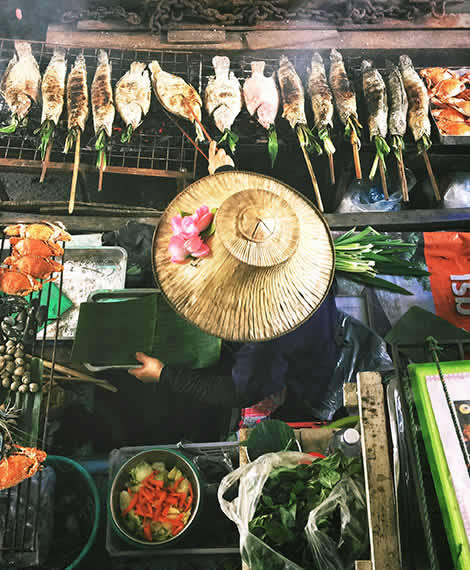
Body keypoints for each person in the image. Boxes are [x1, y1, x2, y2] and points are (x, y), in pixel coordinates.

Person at [128, 141, 340, 422]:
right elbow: (253, 224)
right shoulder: (285, 230)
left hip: (300, 374)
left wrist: (163, 374)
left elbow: (236, 392)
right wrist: (224, 174)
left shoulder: (265, 334)